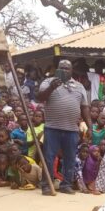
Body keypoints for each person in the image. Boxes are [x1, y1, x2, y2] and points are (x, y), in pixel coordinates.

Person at [37, 59, 91, 196]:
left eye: (67, 68)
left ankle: (66, 184)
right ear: (57, 69)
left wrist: (90, 127)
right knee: (49, 157)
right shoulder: (48, 82)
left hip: (72, 129)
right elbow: (39, 98)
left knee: (70, 158)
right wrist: (52, 88)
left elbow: (84, 107)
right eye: (62, 68)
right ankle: (47, 185)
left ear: (72, 70)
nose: (64, 70)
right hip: (52, 127)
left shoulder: (79, 86)